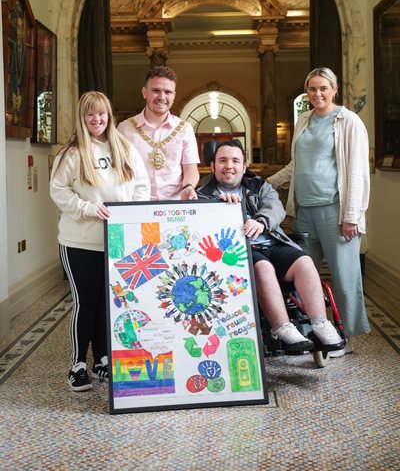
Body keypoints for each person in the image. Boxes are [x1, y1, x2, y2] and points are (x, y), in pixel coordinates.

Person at [197, 140, 344, 353]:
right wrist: (218, 207)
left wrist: (261, 221)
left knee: (304, 261)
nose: (229, 165)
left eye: (235, 160)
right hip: (238, 252)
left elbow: (275, 208)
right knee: (263, 268)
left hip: (271, 241)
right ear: (212, 167)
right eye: (223, 160)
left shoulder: (259, 185)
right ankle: (282, 327)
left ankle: (321, 324)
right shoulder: (203, 193)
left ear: (244, 167)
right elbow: (202, 227)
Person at [50, 91, 150, 392]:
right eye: (90, 114)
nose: (96, 119)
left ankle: (103, 361)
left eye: (102, 113)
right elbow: (59, 191)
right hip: (79, 242)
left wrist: (130, 219)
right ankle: (78, 364)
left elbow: (142, 188)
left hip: (117, 243)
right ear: (83, 117)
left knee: (109, 304)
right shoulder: (72, 153)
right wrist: (89, 209)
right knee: (86, 303)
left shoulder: (124, 148)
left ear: (109, 116)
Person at [268, 67, 370, 354]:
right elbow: (296, 166)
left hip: (335, 212)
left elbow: (357, 172)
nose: (317, 94)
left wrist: (352, 215)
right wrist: (266, 182)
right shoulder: (303, 120)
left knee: (344, 276)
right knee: (301, 275)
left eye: (323, 88)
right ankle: (311, 329)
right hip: (304, 211)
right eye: (312, 89)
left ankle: (345, 336)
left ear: (334, 89)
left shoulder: (348, 121)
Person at [118, 66, 200, 200]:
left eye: (168, 92)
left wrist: (189, 187)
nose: (162, 97)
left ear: (174, 95)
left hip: (174, 207)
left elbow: (191, 168)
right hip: (136, 205)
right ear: (145, 92)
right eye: (156, 90)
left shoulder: (185, 129)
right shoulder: (125, 129)